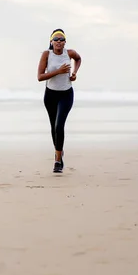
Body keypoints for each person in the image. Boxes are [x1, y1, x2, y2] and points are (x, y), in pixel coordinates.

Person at [37, 28, 81, 173]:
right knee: (53, 127)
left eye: (61, 39)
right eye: (56, 39)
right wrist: (58, 71)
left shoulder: (69, 53)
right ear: (51, 41)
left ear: (65, 42)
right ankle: (59, 153)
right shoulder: (46, 54)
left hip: (66, 94)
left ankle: (57, 161)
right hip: (50, 95)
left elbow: (78, 58)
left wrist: (74, 73)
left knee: (59, 125)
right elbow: (40, 77)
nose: (58, 42)